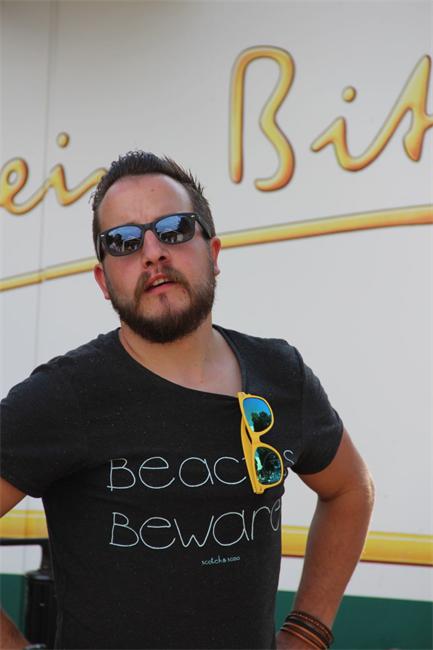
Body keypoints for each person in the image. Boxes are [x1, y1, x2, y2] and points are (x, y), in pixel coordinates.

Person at [0, 151, 374, 650]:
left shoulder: (280, 374)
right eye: (124, 241)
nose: (152, 253)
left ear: (213, 253)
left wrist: (308, 631)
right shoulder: (65, 394)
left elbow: (350, 490)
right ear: (103, 281)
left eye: (173, 229)